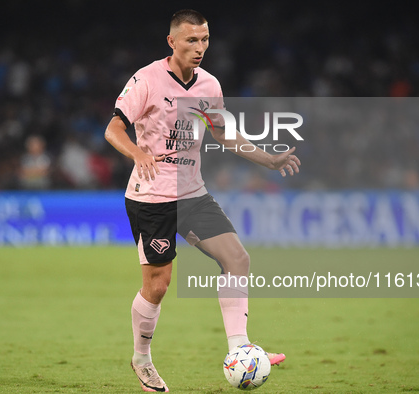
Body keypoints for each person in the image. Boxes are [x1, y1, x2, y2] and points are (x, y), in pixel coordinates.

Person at [104, 9, 301, 392]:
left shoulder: (209, 85)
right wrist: (137, 154)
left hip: (192, 194)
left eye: (205, 40)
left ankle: (239, 350)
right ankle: (142, 359)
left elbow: (224, 135)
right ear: (172, 42)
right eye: (191, 40)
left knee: (237, 258)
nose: (200, 48)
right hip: (152, 198)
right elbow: (113, 129)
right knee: (158, 286)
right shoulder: (145, 80)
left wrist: (269, 159)